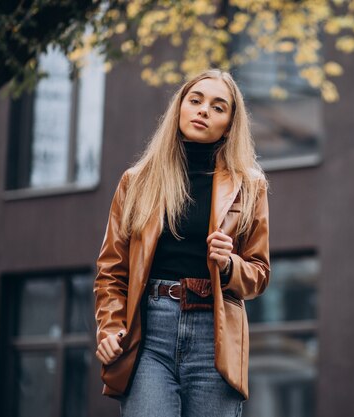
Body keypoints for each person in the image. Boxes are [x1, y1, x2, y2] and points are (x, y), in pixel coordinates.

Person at [93, 68, 270, 417]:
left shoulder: (250, 187)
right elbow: (111, 270)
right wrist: (111, 328)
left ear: (230, 125)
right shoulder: (137, 181)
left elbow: (260, 274)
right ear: (179, 109)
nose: (204, 110)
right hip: (149, 335)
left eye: (219, 107)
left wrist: (230, 264)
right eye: (196, 100)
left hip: (215, 337)